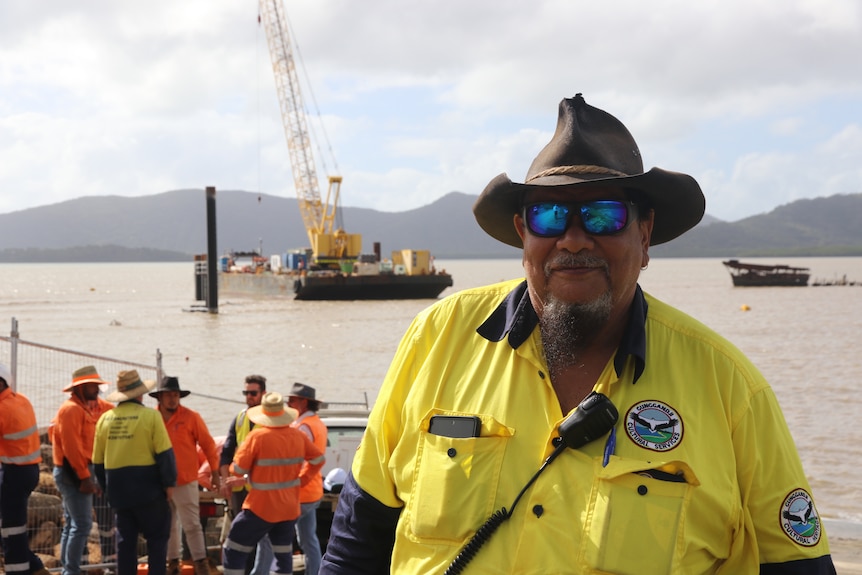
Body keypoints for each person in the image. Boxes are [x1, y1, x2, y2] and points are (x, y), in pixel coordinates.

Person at [320, 94, 837, 574]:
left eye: (602, 215)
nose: (572, 239)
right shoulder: (438, 336)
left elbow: (798, 564)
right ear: (524, 232)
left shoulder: (730, 389)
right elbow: (360, 532)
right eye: (549, 215)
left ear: (645, 232)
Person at [221, 392, 326, 575]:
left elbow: (237, 469)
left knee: (233, 548)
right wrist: (302, 479)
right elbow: (318, 459)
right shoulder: (297, 436)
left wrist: (244, 473)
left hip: (260, 507)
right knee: (283, 554)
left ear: (263, 414)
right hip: (288, 508)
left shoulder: (257, 437)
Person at [93, 370, 177, 575]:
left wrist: (108, 491)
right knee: (157, 542)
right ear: (140, 394)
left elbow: (97, 463)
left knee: (125, 544)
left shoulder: (105, 419)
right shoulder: (151, 416)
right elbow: (165, 455)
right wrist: (169, 485)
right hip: (149, 491)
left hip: (119, 493)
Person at [149, 376, 220, 575]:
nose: (172, 399)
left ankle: (201, 564)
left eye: (175, 395)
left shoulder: (191, 417)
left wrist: (214, 473)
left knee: (192, 525)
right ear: (159, 398)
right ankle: (172, 564)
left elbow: (208, 444)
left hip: (186, 480)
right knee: (167, 526)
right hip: (159, 483)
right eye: (168, 395)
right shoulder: (151, 418)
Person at [50, 365, 115, 575]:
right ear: (80, 388)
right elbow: (72, 448)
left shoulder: (85, 407)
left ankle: (69, 570)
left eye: (97, 385)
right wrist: (85, 477)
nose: (96, 389)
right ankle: (71, 571)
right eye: (92, 386)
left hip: (76, 471)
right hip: (74, 472)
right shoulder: (71, 410)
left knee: (73, 524)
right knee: (82, 524)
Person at [218, 375, 273, 575]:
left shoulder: (271, 420)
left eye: (253, 393)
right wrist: (225, 481)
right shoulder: (240, 418)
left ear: (263, 394)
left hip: (261, 489)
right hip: (239, 490)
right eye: (246, 393)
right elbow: (226, 452)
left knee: (261, 537)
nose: (249, 397)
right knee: (240, 537)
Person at [0, 363, 51, 575]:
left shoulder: (3, 409)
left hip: (13, 472)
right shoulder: (21, 400)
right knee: (13, 527)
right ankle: (36, 567)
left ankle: (19, 570)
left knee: (12, 529)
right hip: (28, 471)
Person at [286, 383, 328, 575]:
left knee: (281, 538)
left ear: (304, 402)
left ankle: (280, 571)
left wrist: (298, 480)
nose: (288, 403)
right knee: (308, 539)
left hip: (300, 492)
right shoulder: (317, 423)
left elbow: (295, 460)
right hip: (312, 491)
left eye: (292, 400)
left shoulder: (303, 427)